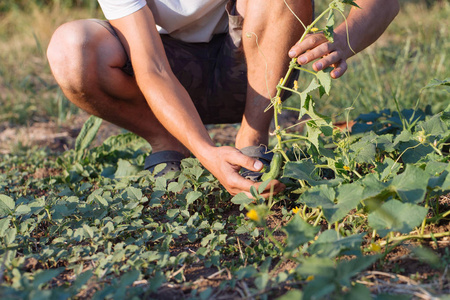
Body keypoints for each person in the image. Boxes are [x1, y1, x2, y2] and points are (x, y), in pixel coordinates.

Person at [47, 0, 399, 198]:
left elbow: (382, 3)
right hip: (164, 74)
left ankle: (252, 142)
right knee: (71, 50)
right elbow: (152, 68)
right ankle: (170, 141)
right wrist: (205, 151)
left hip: (257, 67)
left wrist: (341, 38)